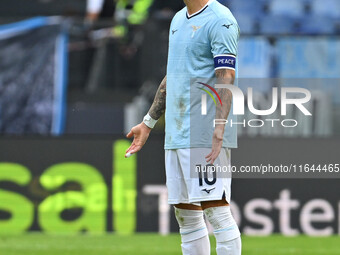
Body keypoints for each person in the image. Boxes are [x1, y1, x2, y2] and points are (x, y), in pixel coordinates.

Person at [126, 0, 241, 254]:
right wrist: (148, 122)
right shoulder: (178, 19)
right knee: (186, 216)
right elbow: (174, 73)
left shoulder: (221, 19)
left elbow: (226, 76)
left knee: (217, 213)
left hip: (204, 131)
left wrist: (219, 127)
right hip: (177, 132)